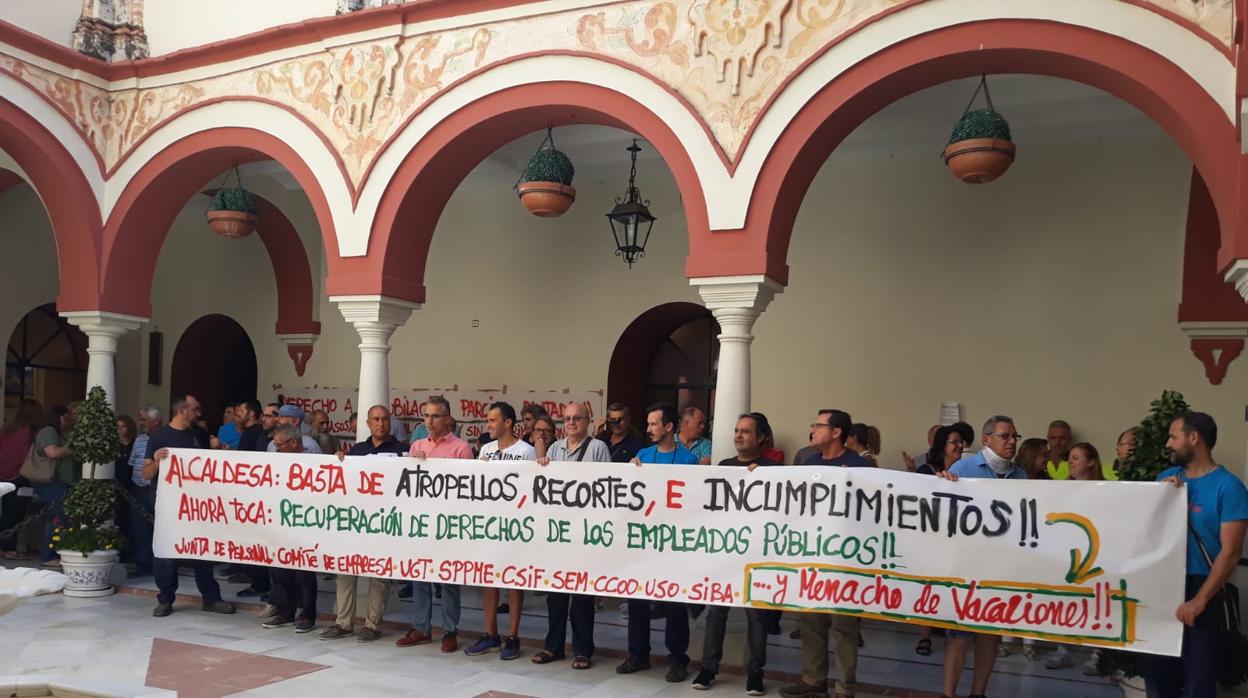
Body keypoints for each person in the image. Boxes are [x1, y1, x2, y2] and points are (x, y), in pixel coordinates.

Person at [1144, 412, 1248, 698]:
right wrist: (1158, 500)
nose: (1168, 444)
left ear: (1194, 438)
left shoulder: (1230, 487)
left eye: (1173, 437)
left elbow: (1231, 552)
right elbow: (1144, 533)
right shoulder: (1166, 478)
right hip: (1164, 585)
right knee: (1158, 673)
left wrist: (1200, 600)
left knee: (1199, 680)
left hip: (1204, 587)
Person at [780, 409, 871, 698]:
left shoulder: (861, 468)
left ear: (836, 432)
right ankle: (813, 680)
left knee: (844, 627)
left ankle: (845, 687)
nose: (812, 430)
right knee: (811, 622)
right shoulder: (809, 463)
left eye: (819, 425)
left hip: (846, 560)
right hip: (813, 557)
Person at [693, 412, 780, 695]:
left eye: (745, 431)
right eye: (736, 430)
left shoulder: (773, 469)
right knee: (716, 612)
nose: (738, 435)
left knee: (757, 616)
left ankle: (755, 672)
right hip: (725, 552)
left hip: (757, 555)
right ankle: (708, 667)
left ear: (761, 437)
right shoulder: (725, 466)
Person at [941, 416, 1026, 698]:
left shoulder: (1020, 476)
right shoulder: (962, 468)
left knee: (990, 635)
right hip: (966, 566)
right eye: (1005, 436)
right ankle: (949, 694)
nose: (1012, 441)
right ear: (986, 439)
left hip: (999, 568)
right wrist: (943, 483)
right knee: (960, 637)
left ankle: (978, 693)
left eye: (1015, 436)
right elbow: (941, 508)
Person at [618, 403, 699, 682]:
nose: (649, 429)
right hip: (643, 541)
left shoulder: (688, 461)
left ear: (669, 427)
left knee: (674, 604)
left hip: (672, 544)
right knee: (637, 599)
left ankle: (678, 660)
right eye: (648, 424)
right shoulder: (642, 455)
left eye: (654, 424)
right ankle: (638, 654)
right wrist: (631, 472)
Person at [531, 402, 611, 671]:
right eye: (567, 418)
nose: (571, 423)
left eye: (577, 418)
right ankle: (552, 646)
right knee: (555, 595)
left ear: (587, 421)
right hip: (559, 533)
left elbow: (607, 485)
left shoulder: (598, 448)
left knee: (581, 597)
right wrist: (542, 463)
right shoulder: (555, 448)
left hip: (584, 533)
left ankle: (583, 650)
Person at [142, 395, 236, 617]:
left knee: (202, 553)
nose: (199, 413)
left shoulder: (199, 435)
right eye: (196, 408)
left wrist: (218, 449)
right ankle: (165, 599)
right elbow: (145, 473)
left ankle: (211, 598)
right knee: (166, 555)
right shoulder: (159, 436)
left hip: (197, 507)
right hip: (169, 508)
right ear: (183, 410)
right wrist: (156, 461)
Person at [319, 405, 405, 643]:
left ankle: (372, 624)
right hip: (357, 522)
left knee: (379, 575)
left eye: (385, 419)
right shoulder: (357, 450)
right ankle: (343, 622)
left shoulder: (402, 451)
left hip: (386, 522)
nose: (381, 423)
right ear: (368, 423)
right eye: (376, 419)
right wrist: (340, 463)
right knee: (346, 572)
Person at [398, 396, 472, 654]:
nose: (429, 421)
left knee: (448, 579)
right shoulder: (417, 444)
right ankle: (422, 627)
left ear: (448, 419)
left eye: (435, 416)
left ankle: (450, 630)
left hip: (448, 523)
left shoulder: (461, 449)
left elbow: (469, 488)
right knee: (419, 576)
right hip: (421, 521)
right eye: (426, 416)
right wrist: (413, 462)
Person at [465, 401, 536, 661]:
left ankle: (513, 636)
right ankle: (490, 634)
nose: (488, 425)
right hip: (488, 524)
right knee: (489, 580)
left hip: (515, 526)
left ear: (508, 422)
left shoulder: (526, 451)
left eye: (493, 420)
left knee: (513, 581)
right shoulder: (486, 449)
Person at [1043, 442, 1103, 671]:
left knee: (1096, 604)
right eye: (1070, 457)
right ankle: (1063, 650)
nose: (1071, 462)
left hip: (1095, 555)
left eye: (1077, 458)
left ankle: (1098, 654)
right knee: (1065, 602)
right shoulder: (1061, 489)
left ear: (1091, 462)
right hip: (1066, 554)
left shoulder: (1106, 490)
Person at [262, 424, 321, 634]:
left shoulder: (315, 463)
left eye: (279, 445)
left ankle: (307, 614)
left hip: (305, 523)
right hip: (279, 521)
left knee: (304, 572)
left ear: (294, 443)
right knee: (278, 568)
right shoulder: (275, 463)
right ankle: (285, 611)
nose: (276, 450)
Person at [32, 405, 74, 568]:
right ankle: (48, 554)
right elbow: (53, 453)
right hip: (49, 481)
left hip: (60, 481)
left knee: (61, 515)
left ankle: (56, 551)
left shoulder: (62, 433)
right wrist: (73, 449)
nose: (68, 421)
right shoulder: (48, 431)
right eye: (65, 418)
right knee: (58, 514)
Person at [0, 398, 41, 560]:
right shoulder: (28, 430)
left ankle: (4, 547)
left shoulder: (6, 429)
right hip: (20, 476)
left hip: (3, 475)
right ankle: (9, 548)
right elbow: (25, 454)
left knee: (6, 512)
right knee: (16, 513)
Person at [127, 405, 162, 577]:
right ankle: (143, 564)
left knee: (159, 529)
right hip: (139, 489)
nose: (141, 423)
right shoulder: (139, 439)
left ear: (155, 421)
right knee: (140, 529)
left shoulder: (164, 438)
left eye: (144, 420)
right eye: (140, 420)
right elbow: (133, 462)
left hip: (158, 490)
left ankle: (161, 566)